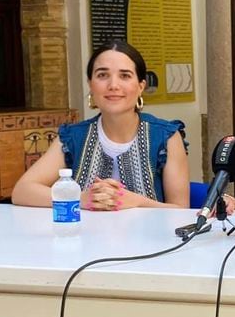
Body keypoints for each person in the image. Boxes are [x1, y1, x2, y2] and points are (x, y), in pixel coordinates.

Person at [12, 41, 190, 210]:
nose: (113, 85)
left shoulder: (165, 137)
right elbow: (22, 191)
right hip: (84, 239)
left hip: (151, 240)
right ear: (90, 84)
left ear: (140, 86)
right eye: (102, 75)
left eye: (125, 76)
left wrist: (135, 201)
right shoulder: (73, 137)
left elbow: (181, 210)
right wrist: (80, 198)